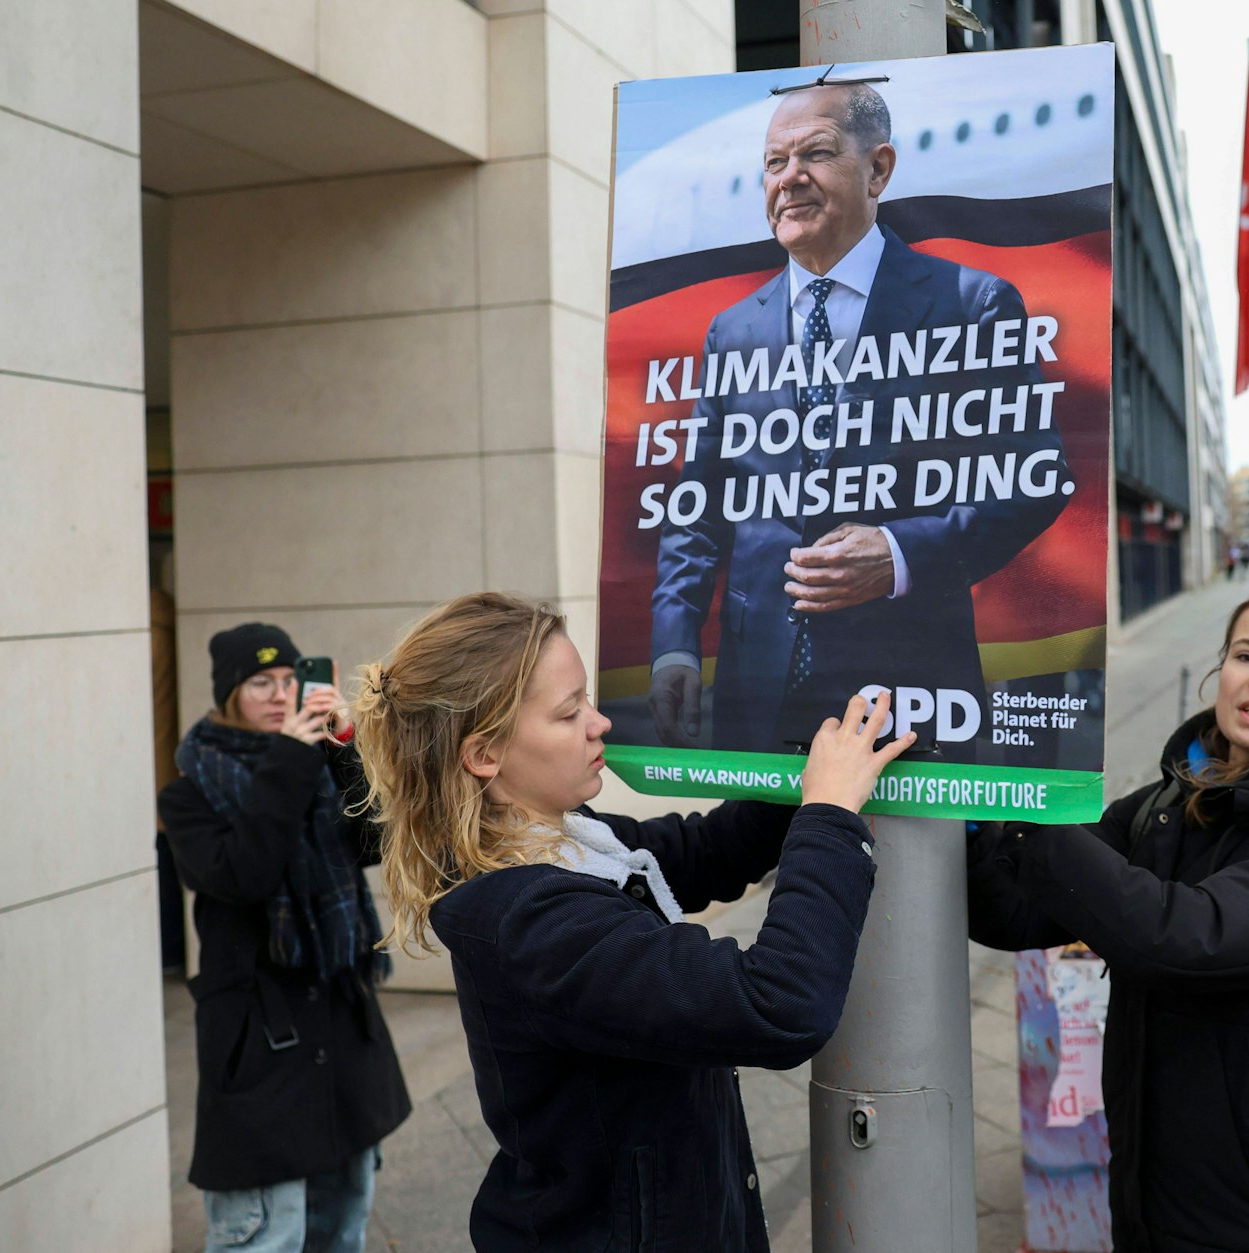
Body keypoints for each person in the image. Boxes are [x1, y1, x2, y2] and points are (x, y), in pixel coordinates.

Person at [347, 592, 915, 1252]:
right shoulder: (532, 921)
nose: (600, 723)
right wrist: (830, 814)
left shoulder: (558, 838)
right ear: (484, 754)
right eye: (569, 713)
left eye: (587, 698)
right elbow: (780, 1001)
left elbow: (699, 853)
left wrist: (803, 769)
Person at [967, 577, 1249, 1253]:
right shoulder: (1168, 807)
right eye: (1245, 654)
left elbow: (1182, 938)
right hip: (1156, 1202)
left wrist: (1029, 811)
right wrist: (967, 819)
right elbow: (1017, 915)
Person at [648, 81, 1071, 759]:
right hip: (758, 700)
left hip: (910, 690)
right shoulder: (732, 331)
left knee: (914, 869)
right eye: (773, 163)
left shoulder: (973, 305)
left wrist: (900, 554)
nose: (790, 179)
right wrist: (674, 644)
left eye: (814, 153)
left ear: (878, 169)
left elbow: (1036, 478)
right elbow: (697, 510)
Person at [159, 623, 411, 1253]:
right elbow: (242, 875)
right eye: (259, 682)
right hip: (261, 1044)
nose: (279, 694)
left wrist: (345, 747)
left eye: (289, 679)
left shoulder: (315, 761)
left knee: (341, 1224)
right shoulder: (190, 794)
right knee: (266, 1234)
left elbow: (375, 842)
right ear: (228, 696)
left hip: (338, 1028)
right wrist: (293, 763)